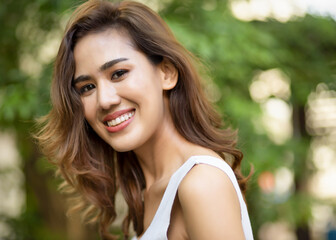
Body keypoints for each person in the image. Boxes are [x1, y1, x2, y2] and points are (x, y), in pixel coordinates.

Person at [36, 0, 254, 239]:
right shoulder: (147, 192)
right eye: (87, 87)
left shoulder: (201, 183)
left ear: (167, 73)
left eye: (118, 74)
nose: (104, 100)